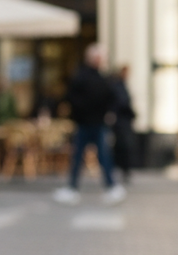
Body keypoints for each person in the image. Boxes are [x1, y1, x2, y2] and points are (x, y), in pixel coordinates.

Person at [53, 43, 126, 205]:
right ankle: (74, 187)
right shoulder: (84, 77)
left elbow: (113, 99)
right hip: (87, 123)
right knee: (81, 156)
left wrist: (108, 113)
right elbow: (72, 97)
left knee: (101, 157)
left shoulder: (101, 77)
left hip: (96, 124)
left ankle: (108, 186)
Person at [111, 65, 137, 182]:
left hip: (123, 121)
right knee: (123, 146)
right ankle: (122, 168)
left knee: (124, 146)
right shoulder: (118, 86)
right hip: (122, 122)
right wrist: (132, 114)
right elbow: (123, 103)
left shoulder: (122, 85)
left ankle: (123, 169)